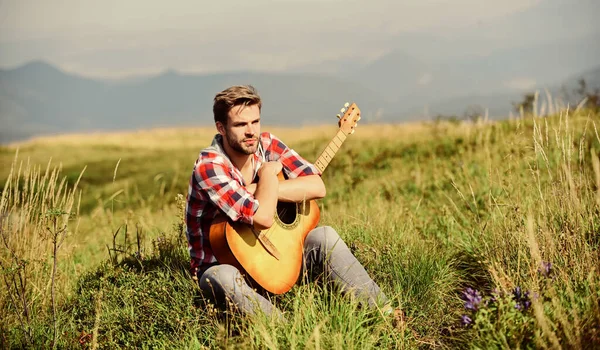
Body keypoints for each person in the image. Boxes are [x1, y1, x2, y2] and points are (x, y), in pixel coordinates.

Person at [185, 85, 392, 320]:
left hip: (280, 257)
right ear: (221, 128)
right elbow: (262, 218)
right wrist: (266, 176)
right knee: (221, 277)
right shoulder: (210, 166)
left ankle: (385, 314)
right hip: (229, 266)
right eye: (241, 125)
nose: (251, 131)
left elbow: (316, 186)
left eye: (255, 121)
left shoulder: (268, 145)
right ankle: (284, 334)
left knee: (324, 236)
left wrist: (262, 188)